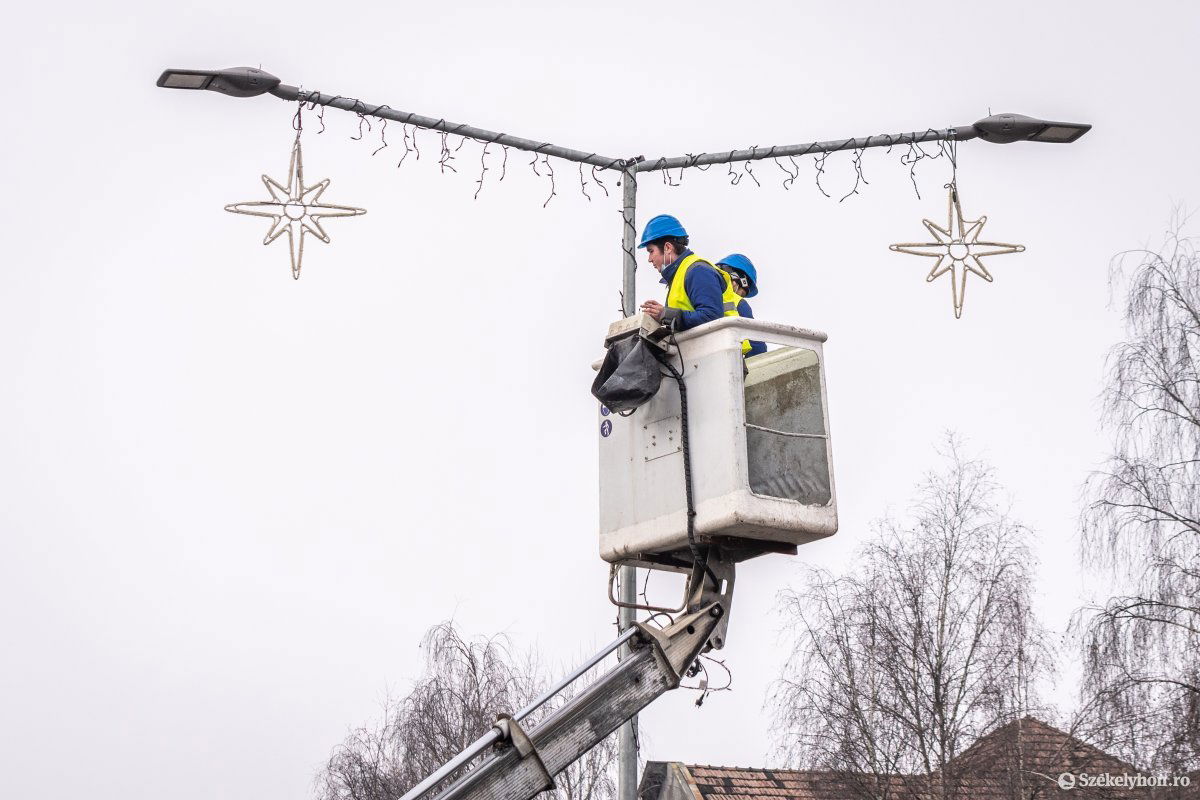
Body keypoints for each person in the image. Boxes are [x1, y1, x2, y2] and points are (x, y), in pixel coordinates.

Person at [637, 215, 745, 344]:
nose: (649, 259)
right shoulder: (681, 274)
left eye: (651, 251)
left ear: (668, 248)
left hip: (721, 352)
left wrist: (665, 314)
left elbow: (711, 317)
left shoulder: (698, 271)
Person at [716, 254, 767, 357]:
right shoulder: (738, 303)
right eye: (741, 293)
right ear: (735, 278)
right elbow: (757, 348)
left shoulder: (697, 290)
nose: (739, 297)